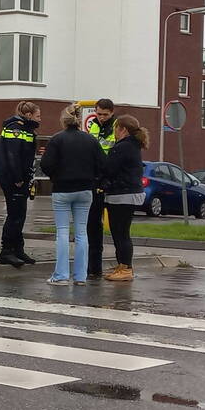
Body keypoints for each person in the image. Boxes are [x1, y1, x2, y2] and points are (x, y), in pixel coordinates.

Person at [40, 104, 104, 286]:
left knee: (62, 232)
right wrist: (93, 178)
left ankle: (60, 275)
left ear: (64, 120)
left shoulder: (57, 140)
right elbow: (102, 164)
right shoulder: (91, 140)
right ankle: (80, 276)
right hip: (85, 190)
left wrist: (55, 176)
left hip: (62, 189)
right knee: (82, 233)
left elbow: (45, 164)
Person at [100, 115, 148, 282]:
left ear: (123, 130)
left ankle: (126, 268)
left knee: (120, 233)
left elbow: (109, 169)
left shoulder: (123, 147)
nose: (114, 132)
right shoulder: (132, 146)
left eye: (116, 128)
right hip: (128, 193)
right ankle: (122, 265)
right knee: (121, 232)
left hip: (122, 194)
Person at [0, 101, 41, 268]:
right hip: (13, 179)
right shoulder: (15, 128)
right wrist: (17, 178)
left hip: (20, 178)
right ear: (28, 115)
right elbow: (12, 155)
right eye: (38, 116)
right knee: (14, 215)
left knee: (20, 214)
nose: (40, 119)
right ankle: (6, 251)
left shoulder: (26, 128)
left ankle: (17, 249)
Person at [86, 98, 116, 278]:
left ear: (112, 112)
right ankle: (94, 268)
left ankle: (121, 265)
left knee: (117, 228)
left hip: (110, 176)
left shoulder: (118, 125)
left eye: (105, 114)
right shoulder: (93, 125)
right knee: (93, 226)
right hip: (96, 177)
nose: (102, 117)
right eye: (99, 114)